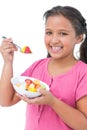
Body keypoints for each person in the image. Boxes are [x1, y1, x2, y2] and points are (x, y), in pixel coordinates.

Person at [0, 5, 87, 130]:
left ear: (79, 38)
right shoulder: (37, 67)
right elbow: (5, 100)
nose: (54, 40)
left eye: (63, 33)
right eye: (49, 33)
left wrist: (52, 102)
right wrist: (8, 62)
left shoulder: (83, 73)